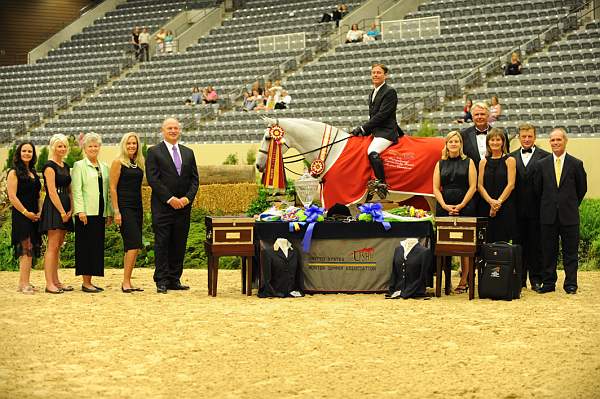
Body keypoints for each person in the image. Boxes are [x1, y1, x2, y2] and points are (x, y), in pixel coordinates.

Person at [145, 118, 199, 293]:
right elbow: (153, 179)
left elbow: (194, 180)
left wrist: (186, 199)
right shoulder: (153, 152)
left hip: (183, 208)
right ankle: (161, 280)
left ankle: (174, 279)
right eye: (170, 128)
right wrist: (170, 199)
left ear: (180, 130)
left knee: (179, 242)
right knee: (162, 243)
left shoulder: (188, 152)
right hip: (163, 207)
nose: (173, 130)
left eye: (176, 128)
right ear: (163, 130)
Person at [535, 128, 587, 294]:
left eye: (559, 140)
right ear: (549, 142)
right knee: (548, 251)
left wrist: (569, 204)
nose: (555, 143)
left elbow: (582, 189)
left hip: (569, 216)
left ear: (565, 141)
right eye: (553, 140)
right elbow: (538, 190)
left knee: (570, 252)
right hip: (548, 216)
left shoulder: (576, 164)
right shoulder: (541, 165)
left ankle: (570, 283)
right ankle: (549, 283)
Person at [432, 131, 477, 293]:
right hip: (444, 208)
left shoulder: (469, 162)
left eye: (456, 141)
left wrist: (462, 204)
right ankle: (446, 283)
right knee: (445, 246)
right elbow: (436, 188)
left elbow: (473, 186)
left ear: (461, 144)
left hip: (465, 206)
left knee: (464, 246)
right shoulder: (440, 163)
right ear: (446, 144)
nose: (453, 144)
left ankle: (464, 281)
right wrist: (444, 205)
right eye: (451, 141)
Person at [349, 63, 403, 199]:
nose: (375, 75)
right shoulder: (372, 93)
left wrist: (363, 128)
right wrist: (364, 132)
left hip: (386, 132)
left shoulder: (389, 91)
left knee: (372, 152)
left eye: (378, 72)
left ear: (385, 75)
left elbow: (382, 115)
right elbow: (373, 117)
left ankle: (382, 185)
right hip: (376, 131)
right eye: (373, 72)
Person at [509, 123, 550, 290]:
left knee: (536, 245)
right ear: (519, 137)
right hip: (516, 210)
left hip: (537, 210)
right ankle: (519, 279)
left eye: (530, 136)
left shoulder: (545, 157)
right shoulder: (510, 157)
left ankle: (536, 278)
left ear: (535, 137)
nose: (526, 139)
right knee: (518, 245)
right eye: (523, 136)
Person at [71, 133, 112, 293]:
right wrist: (80, 210)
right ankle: (85, 283)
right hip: (86, 214)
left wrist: (108, 212)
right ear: (84, 148)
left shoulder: (104, 167)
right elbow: (77, 190)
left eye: (96, 146)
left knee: (96, 247)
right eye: (90, 146)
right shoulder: (79, 166)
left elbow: (107, 192)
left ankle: (91, 281)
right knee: (85, 247)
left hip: (99, 213)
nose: (93, 148)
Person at [110, 132, 145, 293]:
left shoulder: (138, 163)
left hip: (137, 207)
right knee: (134, 243)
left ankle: (128, 281)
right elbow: (113, 188)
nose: (132, 146)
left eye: (134, 143)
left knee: (131, 245)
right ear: (124, 145)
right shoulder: (118, 162)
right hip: (124, 207)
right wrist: (116, 211)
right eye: (129, 143)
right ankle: (125, 282)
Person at [39, 134, 74, 294]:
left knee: (58, 246)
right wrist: (61, 212)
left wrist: (71, 209)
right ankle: (49, 283)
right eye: (59, 146)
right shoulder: (49, 166)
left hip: (65, 207)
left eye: (64, 146)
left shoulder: (65, 166)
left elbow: (69, 189)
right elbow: (51, 192)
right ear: (53, 147)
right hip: (54, 207)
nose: (62, 148)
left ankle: (57, 281)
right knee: (52, 246)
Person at [7, 142, 42, 294]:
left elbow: (38, 195)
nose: (27, 153)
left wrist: (40, 211)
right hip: (22, 215)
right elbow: (12, 197)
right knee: (25, 248)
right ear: (19, 153)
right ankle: (23, 284)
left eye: (30, 151)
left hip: (34, 215)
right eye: (24, 151)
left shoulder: (33, 172)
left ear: (33, 154)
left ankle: (24, 282)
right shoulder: (13, 173)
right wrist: (26, 212)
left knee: (31, 247)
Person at [478, 128, 517, 243]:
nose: (495, 142)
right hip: (486, 206)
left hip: (505, 206)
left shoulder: (510, 160)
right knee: (488, 241)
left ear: (503, 142)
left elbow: (511, 184)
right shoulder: (483, 162)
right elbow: (479, 185)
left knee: (503, 241)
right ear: (488, 143)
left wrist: (497, 203)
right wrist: (491, 202)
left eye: (498, 140)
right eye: (492, 140)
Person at [460, 102, 508, 169]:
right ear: (472, 117)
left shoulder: (501, 134)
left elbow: (506, 157)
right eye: (476, 114)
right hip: (472, 177)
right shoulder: (463, 135)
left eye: (482, 114)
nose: (479, 117)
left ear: (488, 115)